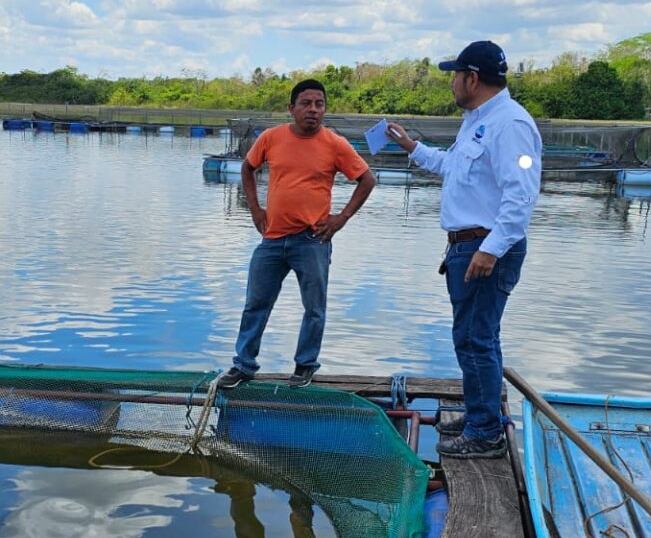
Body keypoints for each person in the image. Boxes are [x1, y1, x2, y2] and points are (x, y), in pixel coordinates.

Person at [386, 40, 541, 458]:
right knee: (473, 337)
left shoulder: (510, 124)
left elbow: (521, 195)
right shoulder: (479, 121)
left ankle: (485, 432)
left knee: (476, 339)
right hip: (470, 246)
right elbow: (453, 167)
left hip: (485, 249)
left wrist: (490, 250)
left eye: (455, 75)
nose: (452, 83)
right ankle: (479, 416)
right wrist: (412, 148)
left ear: (472, 79)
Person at [217, 79, 376, 389]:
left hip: (312, 240)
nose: (313, 109)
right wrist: (255, 209)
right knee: (255, 304)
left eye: (319, 104)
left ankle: (305, 365)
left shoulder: (334, 144)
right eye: (306, 103)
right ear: (292, 108)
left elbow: (366, 179)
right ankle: (243, 365)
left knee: (314, 308)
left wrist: (341, 218)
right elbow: (248, 168)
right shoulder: (271, 138)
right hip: (272, 238)